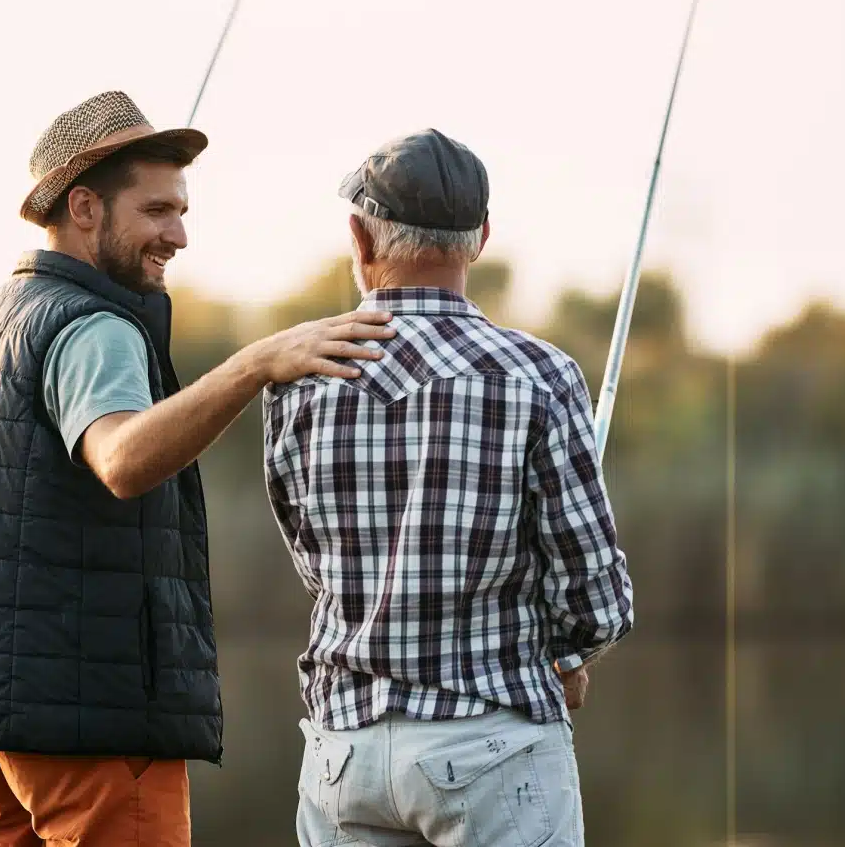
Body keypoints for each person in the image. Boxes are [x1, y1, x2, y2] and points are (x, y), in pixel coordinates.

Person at [0, 90, 396, 847]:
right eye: (157, 211)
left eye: (181, 211)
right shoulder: (94, 327)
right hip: (86, 726)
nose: (179, 235)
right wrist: (256, 365)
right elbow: (121, 460)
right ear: (84, 207)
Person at [263, 129, 635, 847]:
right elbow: (597, 599)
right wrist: (563, 659)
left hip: (346, 752)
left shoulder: (298, 382)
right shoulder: (541, 375)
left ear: (359, 239)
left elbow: (316, 565)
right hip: (496, 746)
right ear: (481, 239)